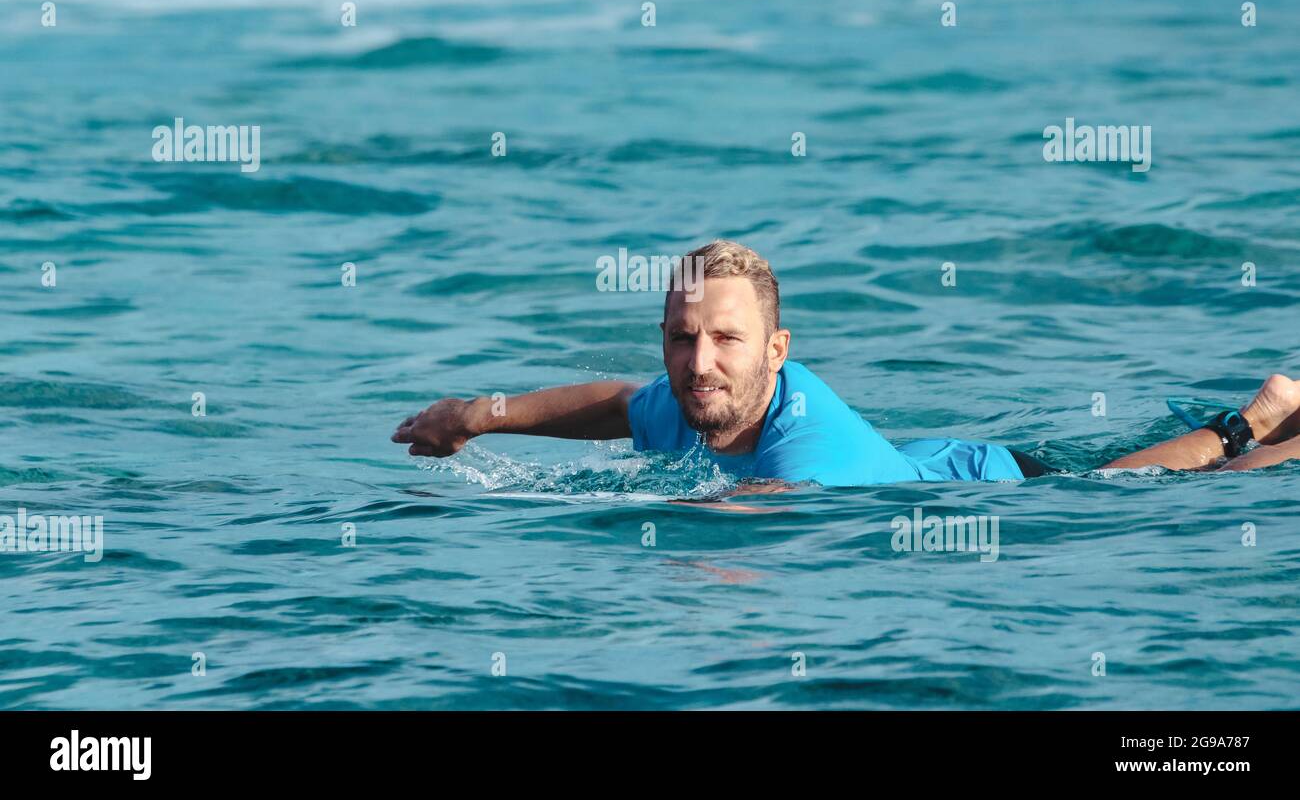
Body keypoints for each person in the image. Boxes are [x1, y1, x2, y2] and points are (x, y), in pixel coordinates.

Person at [391, 240, 1300, 486]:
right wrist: (479, 414)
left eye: (725, 339)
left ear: (777, 352)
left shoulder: (802, 450)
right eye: (680, 336)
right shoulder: (693, 395)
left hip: (995, 494)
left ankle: (1259, 423)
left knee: (1129, 484)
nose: (697, 361)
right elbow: (612, 402)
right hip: (939, 459)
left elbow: (740, 536)